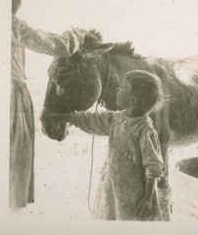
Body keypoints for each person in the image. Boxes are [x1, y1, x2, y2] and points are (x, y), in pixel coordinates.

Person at [10, 0, 87, 209]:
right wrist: (78, 34)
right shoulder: (14, 26)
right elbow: (59, 46)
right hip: (11, 97)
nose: (17, 2)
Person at [41, 70, 165, 221]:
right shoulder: (116, 119)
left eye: (122, 88)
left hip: (134, 194)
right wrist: (57, 117)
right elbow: (89, 119)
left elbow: (153, 167)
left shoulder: (145, 130)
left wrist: (147, 198)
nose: (118, 90)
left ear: (133, 99)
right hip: (113, 186)